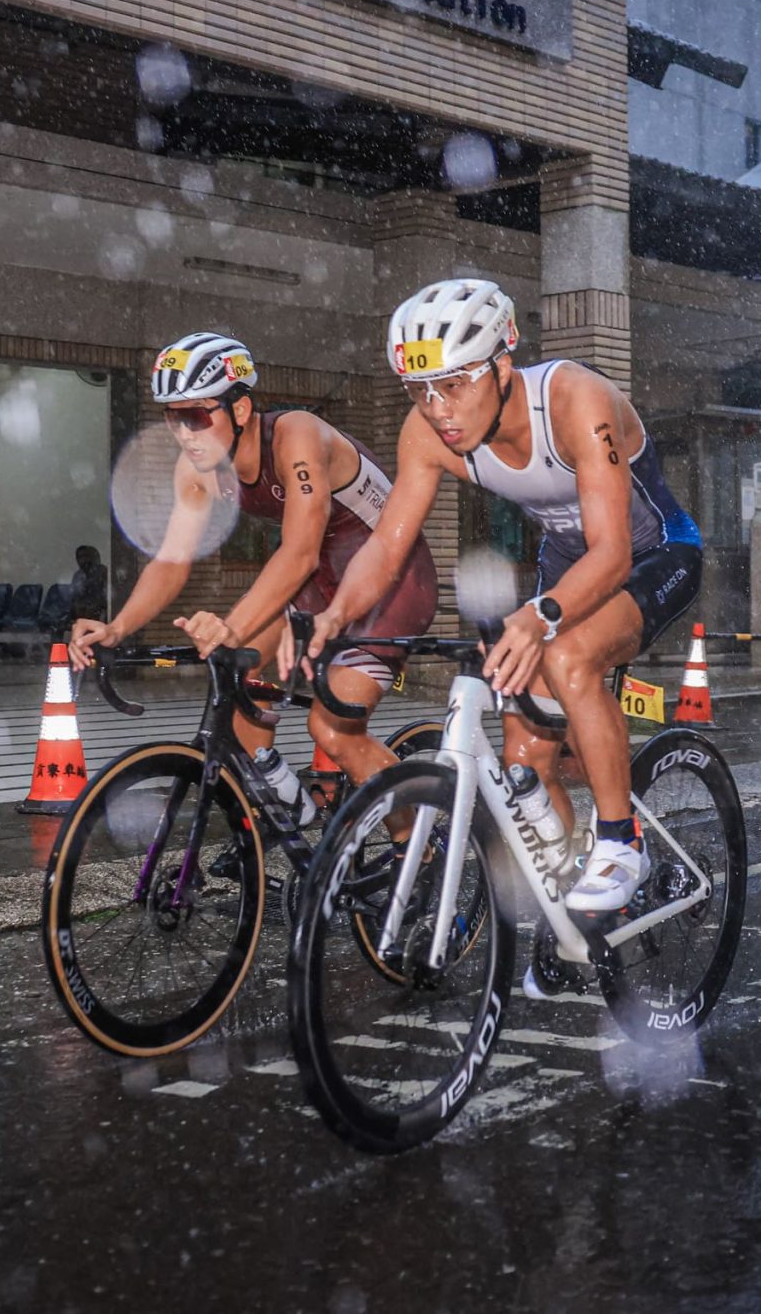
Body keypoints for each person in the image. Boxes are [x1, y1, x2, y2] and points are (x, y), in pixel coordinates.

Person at [305, 278, 702, 919]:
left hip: (653, 553)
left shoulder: (576, 400)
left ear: (502, 365)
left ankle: (620, 842)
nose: (437, 408)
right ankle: (576, 910)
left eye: (455, 384)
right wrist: (334, 616)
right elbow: (386, 549)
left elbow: (612, 553)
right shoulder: (428, 432)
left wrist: (540, 615)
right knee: (527, 760)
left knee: (570, 658)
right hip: (565, 566)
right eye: (419, 390)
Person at [68, 332, 438, 825]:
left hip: (390, 582)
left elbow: (301, 551)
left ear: (239, 410)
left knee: (333, 732)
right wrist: (117, 627)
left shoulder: (298, 436)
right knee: (237, 684)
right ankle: (287, 817)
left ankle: (419, 851)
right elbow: (173, 559)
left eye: (196, 416)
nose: (184, 433)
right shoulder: (198, 467)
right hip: (317, 584)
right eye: (172, 417)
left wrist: (232, 625)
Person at [67, 543, 110, 621]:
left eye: (85, 556)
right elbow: (74, 598)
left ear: (91, 557)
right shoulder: (78, 575)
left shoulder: (103, 571)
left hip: (99, 608)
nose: (83, 560)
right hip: (82, 610)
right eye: (79, 557)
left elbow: (109, 596)